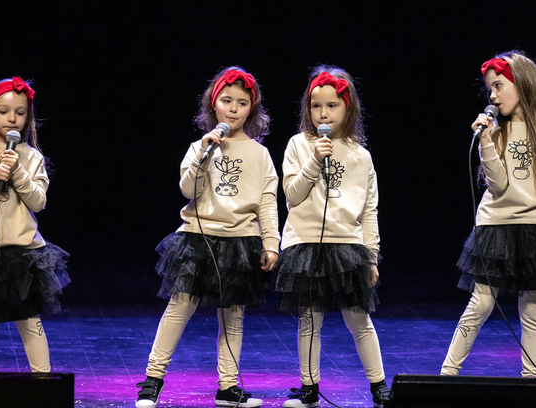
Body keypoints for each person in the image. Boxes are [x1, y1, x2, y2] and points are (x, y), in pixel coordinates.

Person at [134, 67, 279, 408]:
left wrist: (271, 243)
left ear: (251, 109)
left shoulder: (260, 154)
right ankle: (153, 380)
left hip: (241, 241)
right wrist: (204, 154)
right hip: (199, 238)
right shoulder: (199, 147)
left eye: (242, 103)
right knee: (179, 306)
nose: (233, 108)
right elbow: (188, 189)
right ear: (213, 104)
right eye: (227, 101)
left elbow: (267, 201)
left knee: (233, 316)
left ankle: (228, 387)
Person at [440, 51, 536, 379]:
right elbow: (500, 185)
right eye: (489, 88)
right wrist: (486, 142)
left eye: (499, 86)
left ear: (523, 84)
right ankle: (447, 375)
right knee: (481, 303)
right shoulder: (495, 132)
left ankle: (531, 380)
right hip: (497, 226)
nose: (492, 95)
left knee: (532, 307)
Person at [274, 66, 388, 408]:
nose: (323, 113)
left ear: (347, 107)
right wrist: (314, 160)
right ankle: (309, 388)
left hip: (347, 247)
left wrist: (371, 255)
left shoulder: (360, 155)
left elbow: (369, 210)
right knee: (310, 320)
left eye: (332, 105)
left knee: (359, 319)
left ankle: (379, 386)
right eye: (316, 106)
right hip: (305, 244)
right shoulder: (298, 145)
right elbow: (293, 195)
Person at [0, 77, 70, 373]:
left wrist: (18, 171)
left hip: (20, 251)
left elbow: (38, 202)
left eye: (20, 113)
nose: (12, 118)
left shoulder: (31, 157)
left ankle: (43, 381)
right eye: (3, 111)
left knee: (29, 319)